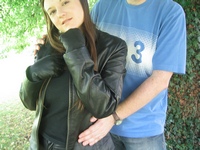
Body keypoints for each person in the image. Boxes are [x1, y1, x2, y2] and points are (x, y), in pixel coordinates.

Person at [77, 0, 187, 150]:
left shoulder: (170, 13)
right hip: (98, 124)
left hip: (142, 131)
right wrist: (51, 44)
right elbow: (81, 43)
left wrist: (113, 117)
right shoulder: (102, 6)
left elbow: (160, 79)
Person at [19, 0, 127, 149]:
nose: (60, 14)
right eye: (52, 11)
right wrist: (31, 74)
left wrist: (76, 49)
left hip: (85, 146)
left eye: (65, 2)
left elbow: (104, 107)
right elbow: (28, 103)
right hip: (41, 143)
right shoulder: (46, 45)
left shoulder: (112, 47)